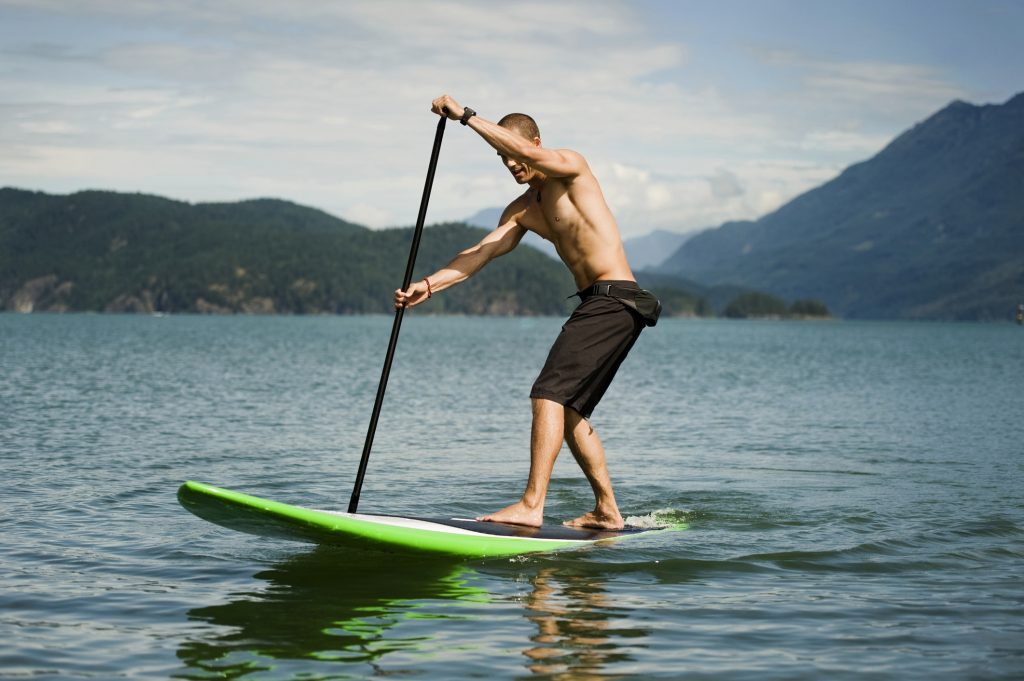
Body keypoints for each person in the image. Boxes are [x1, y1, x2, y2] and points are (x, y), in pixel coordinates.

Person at [394, 94, 659, 530]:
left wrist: (466, 117)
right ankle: (608, 511)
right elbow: (479, 253)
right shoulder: (523, 210)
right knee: (569, 410)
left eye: (513, 154)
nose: (511, 165)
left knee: (547, 393)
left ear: (533, 143)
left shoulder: (571, 167)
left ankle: (531, 505)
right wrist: (427, 285)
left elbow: (530, 155)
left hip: (615, 297)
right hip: (598, 304)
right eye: (502, 159)